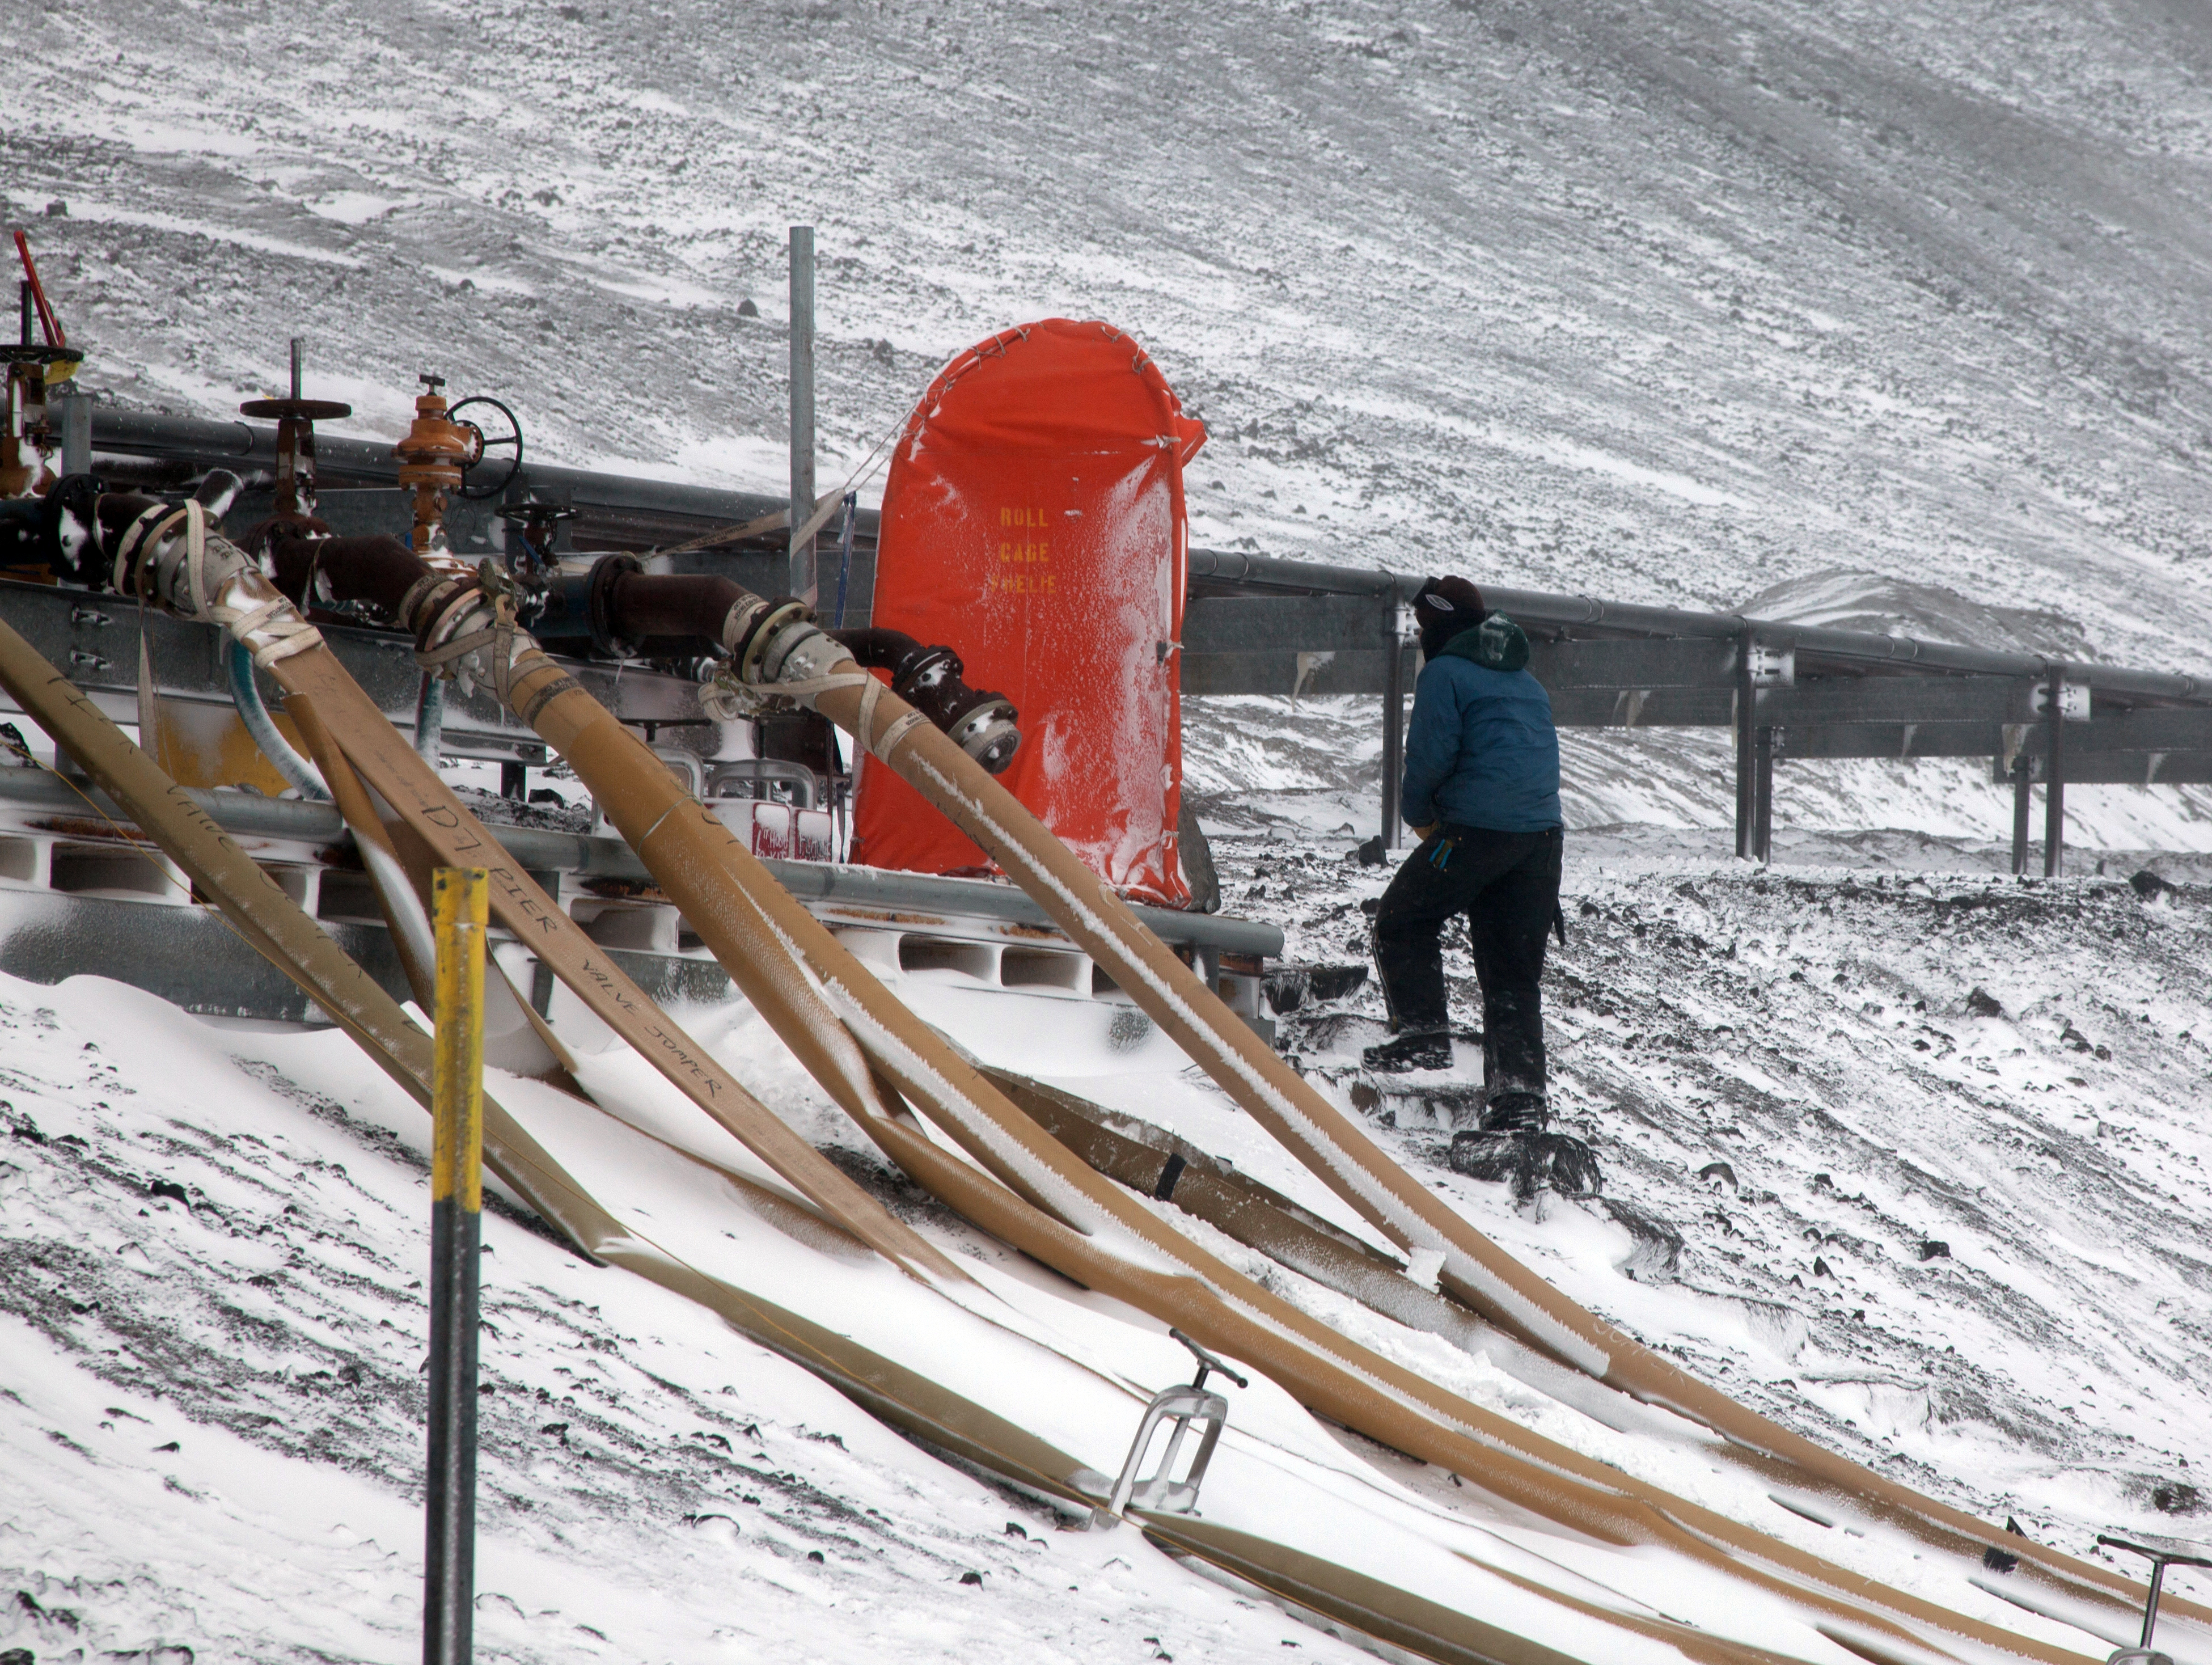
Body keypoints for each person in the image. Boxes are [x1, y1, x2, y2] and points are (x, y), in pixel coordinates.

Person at [1363, 576, 1563, 1141]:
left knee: (1402, 919)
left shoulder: (1445, 673)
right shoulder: (1525, 679)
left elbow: (1428, 755)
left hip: (1475, 831)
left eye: (1424, 624)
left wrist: (1419, 815)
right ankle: (1519, 1100)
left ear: (1439, 623)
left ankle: (1423, 1035)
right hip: (1541, 842)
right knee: (1511, 973)